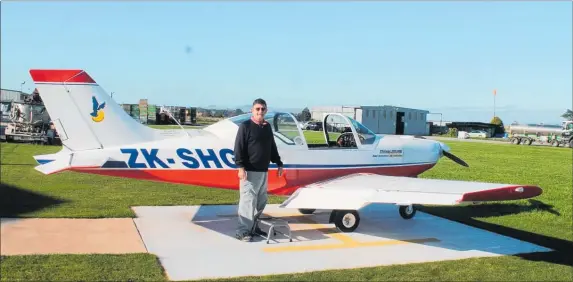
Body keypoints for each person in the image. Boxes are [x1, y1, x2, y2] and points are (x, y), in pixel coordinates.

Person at [233, 98, 284, 242]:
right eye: (257, 109)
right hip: (249, 171)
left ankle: (253, 226)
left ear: (266, 110)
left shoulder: (267, 127)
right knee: (248, 202)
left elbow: (271, 147)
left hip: (263, 171)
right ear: (252, 110)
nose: (260, 111)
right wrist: (240, 167)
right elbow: (238, 148)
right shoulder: (245, 126)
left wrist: (279, 162)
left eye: (262, 109)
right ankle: (242, 231)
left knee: (261, 201)